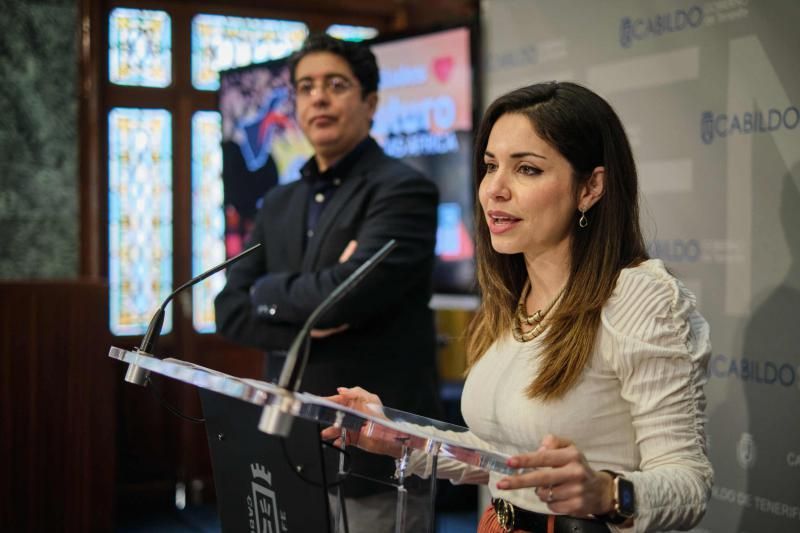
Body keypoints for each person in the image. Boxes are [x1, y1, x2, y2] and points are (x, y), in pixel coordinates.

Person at [326, 81, 713, 533]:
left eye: (526, 169)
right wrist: (399, 437)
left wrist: (609, 493)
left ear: (590, 188)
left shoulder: (640, 297)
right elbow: (502, 457)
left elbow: (690, 483)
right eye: (490, 166)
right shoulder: (512, 297)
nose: (494, 189)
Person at [214, 33, 440, 531]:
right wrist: (307, 315)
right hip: (287, 449)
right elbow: (227, 308)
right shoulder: (278, 202)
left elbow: (343, 299)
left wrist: (269, 293)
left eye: (336, 85)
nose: (318, 97)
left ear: (370, 101)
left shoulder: (405, 191)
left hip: (376, 461)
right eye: (305, 87)